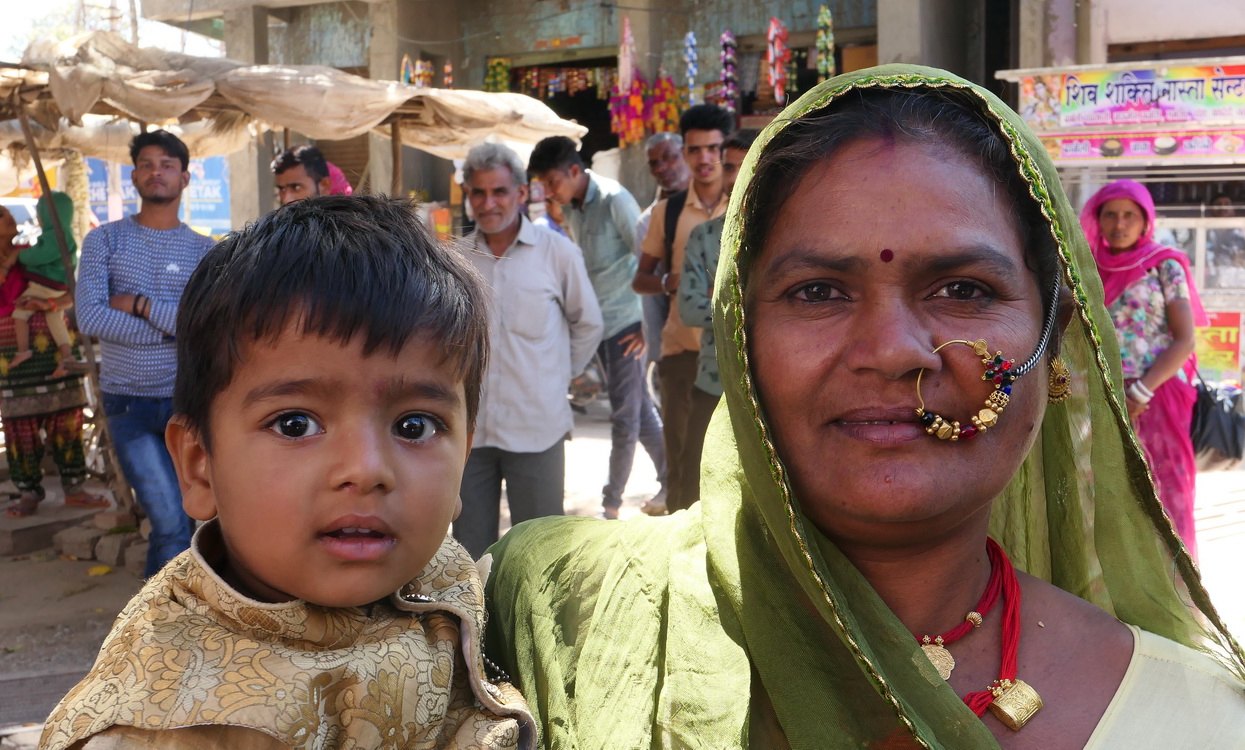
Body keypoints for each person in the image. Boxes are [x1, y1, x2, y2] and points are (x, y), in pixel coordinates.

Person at [485, 66, 1245, 748]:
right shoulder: (543, 623)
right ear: (739, 338)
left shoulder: (1197, 716)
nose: (889, 350)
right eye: (817, 291)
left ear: (1055, 348)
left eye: (963, 290)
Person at [40, 195, 536, 750]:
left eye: (414, 426)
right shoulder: (159, 724)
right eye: (295, 424)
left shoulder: (460, 585)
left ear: (464, 453)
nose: (366, 470)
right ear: (200, 467)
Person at [454, 143, 602, 558]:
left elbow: (588, 322)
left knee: (542, 555)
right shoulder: (457, 260)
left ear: (521, 194)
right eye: (478, 193)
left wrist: (558, 376)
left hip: (538, 429)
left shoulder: (558, 254)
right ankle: (479, 625)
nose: (489, 203)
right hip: (470, 433)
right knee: (469, 555)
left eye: (499, 191)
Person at [77, 131, 214, 577]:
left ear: (185, 177)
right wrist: (172, 332)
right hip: (128, 405)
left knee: (204, 517)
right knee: (170, 524)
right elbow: (91, 319)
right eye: (148, 164)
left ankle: (203, 612)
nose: (157, 171)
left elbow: (203, 327)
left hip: (189, 405)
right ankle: (157, 630)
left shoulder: (205, 252)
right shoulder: (105, 242)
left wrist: (140, 305)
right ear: (134, 175)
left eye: (168, 164)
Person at [528, 136, 667, 520]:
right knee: (638, 409)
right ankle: (671, 480)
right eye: (544, 185)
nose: (549, 192)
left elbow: (648, 262)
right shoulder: (570, 207)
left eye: (553, 182)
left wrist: (646, 325)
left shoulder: (614, 199)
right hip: (597, 325)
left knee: (625, 417)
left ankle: (611, 504)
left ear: (575, 171)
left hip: (627, 324)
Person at [1081, 179, 1208, 559]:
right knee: (1109, 487)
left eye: (1130, 215)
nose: (1120, 224)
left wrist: (1142, 391)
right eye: (1111, 215)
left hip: (1158, 393)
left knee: (1166, 487)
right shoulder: (1084, 266)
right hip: (1102, 391)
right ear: (1098, 220)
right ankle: (1123, 584)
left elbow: (1184, 340)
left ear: (1145, 221)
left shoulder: (1164, 264)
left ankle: (1179, 589)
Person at [0, 199, 104, 518]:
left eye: (9, 212)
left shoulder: (37, 252)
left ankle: (75, 488)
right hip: (12, 348)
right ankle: (27, 492)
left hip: (56, 343)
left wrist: (52, 307)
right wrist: (7, 263)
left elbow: (69, 289)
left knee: (68, 414)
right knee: (19, 422)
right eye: (0, 215)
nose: (9, 217)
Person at [633, 104, 734, 514]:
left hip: (735, 353)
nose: (705, 158)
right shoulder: (667, 212)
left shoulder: (750, 207)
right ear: (686, 153)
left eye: (713, 148)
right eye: (696, 150)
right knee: (682, 468)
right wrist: (668, 283)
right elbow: (640, 279)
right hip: (681, 356)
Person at [675, 128, 760, 452]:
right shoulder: (704, 237)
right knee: (691, 492)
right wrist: (754, 303)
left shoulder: (790, 239)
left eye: (745, 165)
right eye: (728, 167)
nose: (735, 176)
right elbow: (687, 308)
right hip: (713, 383)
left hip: (769, 389)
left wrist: (719, 297)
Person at [636, 132, 692, 402]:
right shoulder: (648, 223)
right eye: (655, 162)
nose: (662, 167)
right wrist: (660, 356)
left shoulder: (723, 206)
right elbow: (651, 300)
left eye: (669, 157)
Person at [7, 192, 79, 379]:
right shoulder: (65, 234)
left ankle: (23, 350)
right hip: (58, 288)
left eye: (40, 213)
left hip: (45, 286)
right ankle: (67, 357)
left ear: (47, 215)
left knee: (20, 313)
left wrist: (22, 255)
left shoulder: (56, 236)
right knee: (55, 320)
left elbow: (37, 256)